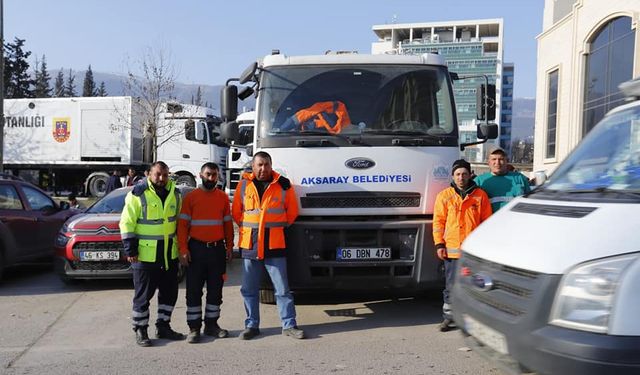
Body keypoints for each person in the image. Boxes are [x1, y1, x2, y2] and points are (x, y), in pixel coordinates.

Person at [232, 151, 305, 340]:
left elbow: (292, 212)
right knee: (249, 289)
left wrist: (276, 226)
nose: (263, 168)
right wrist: (251, 228)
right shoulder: (243, 186)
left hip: (274, 244)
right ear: (253, 166)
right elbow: (237, 213)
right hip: (251, 245)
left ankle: (289, 325)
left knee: (282, 289)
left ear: (271, 166)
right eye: (259, 165)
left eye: (266, 164)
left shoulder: (283, 185)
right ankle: (251, 326)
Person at [119, 161, 185, 347]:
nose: (161, 178)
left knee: (169, 294)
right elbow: (126, 223)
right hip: (144, 255)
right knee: (143, 296)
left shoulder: (176, 194)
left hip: (168, 254)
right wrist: (130, 249)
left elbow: (179, 223)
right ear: (149, 174)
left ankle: (163, 326)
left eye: (165, 175)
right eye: (158, 174)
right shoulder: (138, 194)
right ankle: (141, 330)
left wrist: (182, 249)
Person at [178, 162, 234, 344]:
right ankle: (194, 328)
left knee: (215, 291)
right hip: (196, 249)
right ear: (200, 175)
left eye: (214, 175)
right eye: (208, 174)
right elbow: (182, 226)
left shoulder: (223, 198)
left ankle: (211, 325)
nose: (211, 178)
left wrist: (229, 247)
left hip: (217, 250)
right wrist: (183, 250)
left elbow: (227, 224)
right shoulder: (191, 197)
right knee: (194, 290)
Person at [433, 159, 492, 332]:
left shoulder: (480, 195)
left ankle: (472, 320)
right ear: (453, 175)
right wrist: (439, 244)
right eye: (458, 174)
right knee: (451, 287)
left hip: (472, 252)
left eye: (464, 174)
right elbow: (438, 222)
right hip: (451, 252)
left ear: (470, 175)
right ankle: (449, 318)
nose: (461, 177)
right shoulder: (444, 196)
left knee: (475, 286)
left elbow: (486, 223)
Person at [475, 147, 531, 212]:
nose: (497, 162)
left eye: (501, 159)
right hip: (491, 221)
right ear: (489, 163)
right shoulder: (480, 181)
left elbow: (530, 202)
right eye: (494, 159)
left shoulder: (520, 178)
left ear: (506, 161)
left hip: (516, 220)